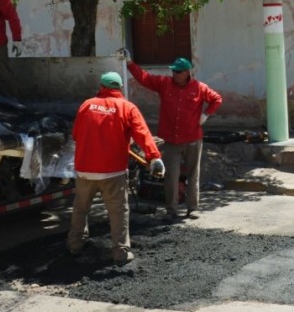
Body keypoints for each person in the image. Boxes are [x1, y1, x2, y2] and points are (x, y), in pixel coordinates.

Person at [68, 72, 165, 266]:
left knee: (80, 209)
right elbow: (143, 134)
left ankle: (75, 244)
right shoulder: (127, 107)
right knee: (118, 212)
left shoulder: (86, 105)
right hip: (113, 171)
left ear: (101, 86)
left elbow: (76, 134)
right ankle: (121, 252)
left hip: (85, 170)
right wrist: (154, 157)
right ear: (119, 88)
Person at [126, 56, 222, 221]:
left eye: (178, 71)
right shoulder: (164, 83)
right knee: (171, 175)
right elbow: (144, 78)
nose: (174, 74)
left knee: (193, 175)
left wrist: (206, 115)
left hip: (192, 138)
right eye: (173, 71)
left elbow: (217, 99)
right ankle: (171, 210)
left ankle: (192, 208)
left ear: (187, 72)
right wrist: (129, 63)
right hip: (171, 139)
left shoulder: (199, 88)